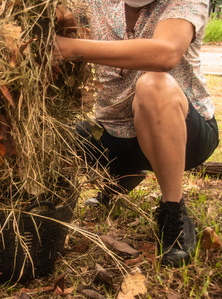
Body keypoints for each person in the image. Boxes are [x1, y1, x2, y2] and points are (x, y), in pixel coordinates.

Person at [54, 0, 219, 267]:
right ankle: (120, 180)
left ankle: (174, 213)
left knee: (153, 84)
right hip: (115, 135)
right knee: (57, 133)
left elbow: (165, 53)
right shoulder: (95, 4)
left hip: (185, 133)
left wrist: (68, 49)